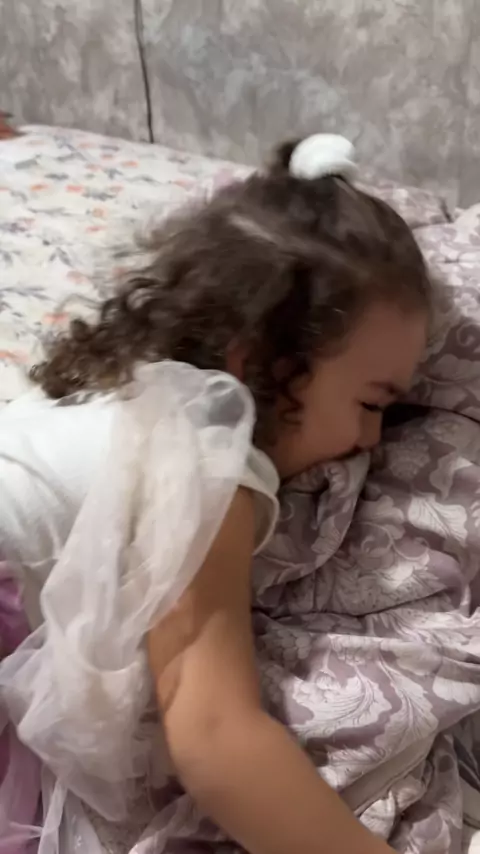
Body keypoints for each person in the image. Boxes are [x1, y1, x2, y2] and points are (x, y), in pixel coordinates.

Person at [0, 134, 431, 853]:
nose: (372, 440)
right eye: (371, 402)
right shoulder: (210, 462)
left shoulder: (118, 384)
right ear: (259, 363)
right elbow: (215, 734)